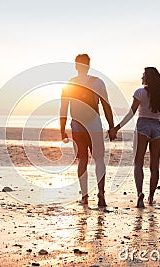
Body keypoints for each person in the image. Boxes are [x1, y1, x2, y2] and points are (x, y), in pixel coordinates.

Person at [109, 67, 160, 208]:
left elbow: (131, 113)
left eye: (143, 75)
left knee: (138, 163)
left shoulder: (140, 92)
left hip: (142, 126)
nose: (141, 77)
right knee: (154, 166)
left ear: (147, 78)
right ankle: (151, 196)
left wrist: (116, 128)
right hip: (157, 128)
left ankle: (139, 195)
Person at [60, 54, 114, 207]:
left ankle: (84, 196)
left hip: (77, 126)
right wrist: (111, 127)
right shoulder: (98, 82)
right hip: (95, 126)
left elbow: (63, 108)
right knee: (99, 159)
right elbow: (106, 105)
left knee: (82, 160)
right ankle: (101, 193)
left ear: (76, 66)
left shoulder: (70, 84)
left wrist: (62, 129)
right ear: (89, 65)